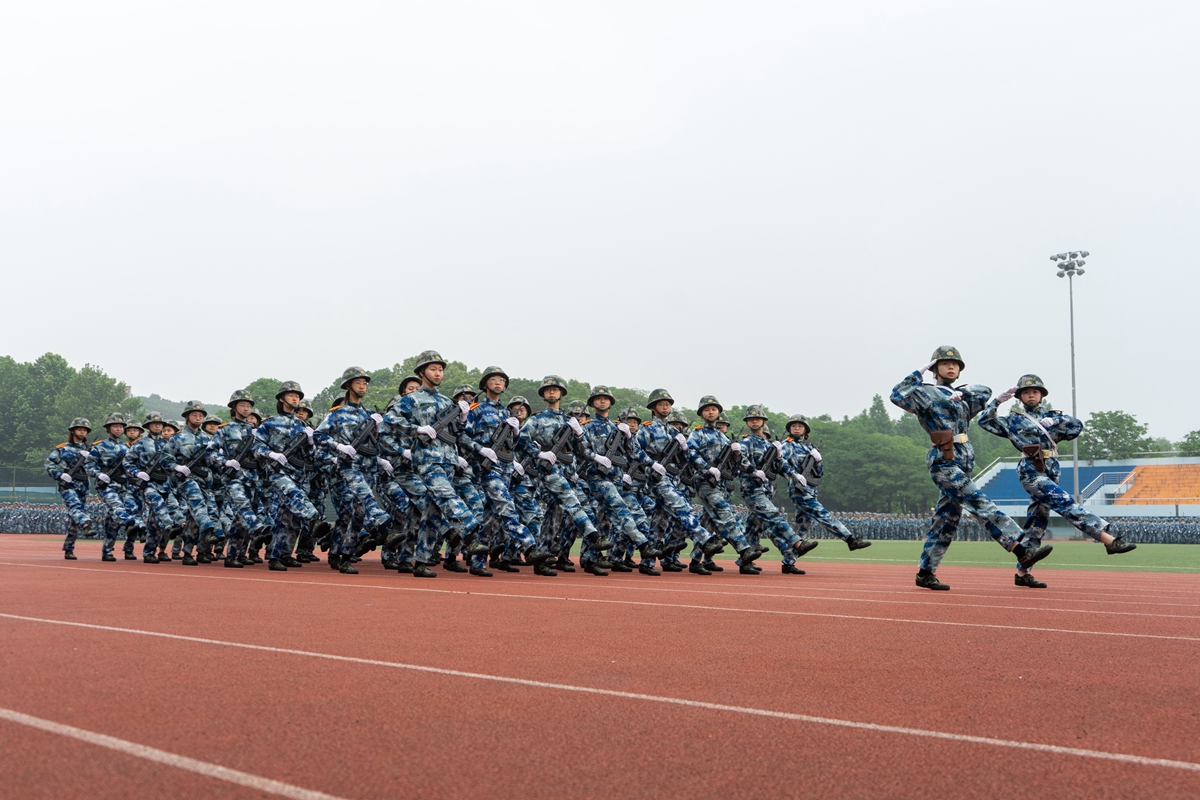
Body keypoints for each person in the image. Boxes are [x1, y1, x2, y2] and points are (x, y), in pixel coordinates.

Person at [890, 347, 1053, 590]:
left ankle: (925, 572)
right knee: (979, 501)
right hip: (943, 459)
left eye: (955, 364)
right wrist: (919, 373)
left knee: (946, 520)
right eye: (944, 363)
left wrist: (963, 394)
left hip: (963, 458)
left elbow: (984, 392)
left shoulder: (964, 396)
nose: (951, 367)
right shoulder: (924, 393)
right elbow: (897, 395)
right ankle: (1021, 547)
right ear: (934, 368)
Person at [979, 373, 1136, 588]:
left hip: (1051, 469)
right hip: (1030, 470)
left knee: (1037, 522)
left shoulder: (1054, 417)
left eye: (1034, 391)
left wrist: (1057, 420)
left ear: (1041, 395)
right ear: (1020, 397)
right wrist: (997, 401)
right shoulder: (1013, 420)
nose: (1030, 395)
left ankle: (1023, 573)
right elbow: (984, 421)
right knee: (1065, 502)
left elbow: (1077, 427)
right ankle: (1107, 539)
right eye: (1026, 392)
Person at [383, 351, 488, 578]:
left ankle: (420, 561)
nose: (438, 373)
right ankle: (470, 534)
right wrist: (416, 429)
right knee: (448, 496)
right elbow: (389, 420)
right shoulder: (411, 399)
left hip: (448, 460)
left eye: (440, 369)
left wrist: (461, 418)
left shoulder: (446, 402)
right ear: (422, 372)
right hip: (427, 461)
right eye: (433, 369)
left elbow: (456, 434)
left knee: (432, 513)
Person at [634, 389, 725, 576]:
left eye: (667, 404)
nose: (665, 407)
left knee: (659, 522)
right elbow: (634, 450)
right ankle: (706, 539)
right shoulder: (646, 428)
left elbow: (685, 459)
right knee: (682, 507)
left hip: (672, 479)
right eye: (661, 404)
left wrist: (684, 447)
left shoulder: (673, 431)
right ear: (653, 407)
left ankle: (647, 563)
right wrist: (652, 463)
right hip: (656, 479)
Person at [254, 382, 326, 572]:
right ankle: (313, 519)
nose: (295, 399)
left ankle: (281, 554)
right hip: (278, 473)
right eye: (291, 395)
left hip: (299, 473)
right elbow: (257, 448)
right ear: (281, 398)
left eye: (298, 396)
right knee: (294, 495)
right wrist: (272, 454)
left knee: (288, 518)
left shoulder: (302, 425)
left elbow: (311, 456)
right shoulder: (269, 424)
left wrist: (311, 442)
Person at [684, 396, 761, 574]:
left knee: (709, 521)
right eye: (707, 409)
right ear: (702, 413)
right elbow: (690, 452)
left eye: (713, 409)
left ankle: (695, 561)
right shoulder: (698, 433)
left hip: (719, 483)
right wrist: (706, 468)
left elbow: (738, 462)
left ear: (718, 412)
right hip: (704, 481)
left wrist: (748, 467)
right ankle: (744, 550)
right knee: (725, 513)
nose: (710, 412)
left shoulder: (722, 437)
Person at [737, 405, 817, 575]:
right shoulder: (745, 442)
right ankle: (797, 543)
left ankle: (744, 562)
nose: (754, 421)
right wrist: (753, 471)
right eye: (751, 419)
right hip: (751, 489)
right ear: (747, 423)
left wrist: (794, 474)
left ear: (763, 421)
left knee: (753, 526)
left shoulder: (769, 444)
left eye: (757, 419)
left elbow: (779, 466)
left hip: (766, 490)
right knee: (774, 515)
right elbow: (741, 461)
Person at [780, 414, 872, 553]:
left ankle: (788, 561)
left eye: (800, 426)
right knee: (823, 514)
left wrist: (818, 461)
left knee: (801, 527)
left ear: (805, 429)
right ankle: (850, 539)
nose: (797, 428)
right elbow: (782, 465)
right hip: (798, 490)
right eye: (794, 426)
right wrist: (795, 475)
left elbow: (819, 473)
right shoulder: (787, 446)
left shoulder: (808, 448)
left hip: (810, 490)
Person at [206, 390, 269, 568]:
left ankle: (236, 554)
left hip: (253, 478)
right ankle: (259, 528)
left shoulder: (255, 432)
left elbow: (261, 453)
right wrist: (225, 462)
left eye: (248, 405)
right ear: (234, 408)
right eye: (242, 405)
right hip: (234, 478)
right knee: (243, 507)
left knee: (240, 520)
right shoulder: (225, 430)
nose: (246, 408)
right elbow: (209, 452)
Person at [123, 412, 183, 563]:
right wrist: (138, 473)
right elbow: (127, 463)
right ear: (148, 426)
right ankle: (172, 525)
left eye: (160, 424)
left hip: (166, 484)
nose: (157, 426)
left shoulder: (168, 445)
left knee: (155, 522)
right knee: (159, 505)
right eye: (154, 424)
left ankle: (153, 551)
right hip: (149, 484)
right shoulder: (140, 444)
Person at [87, 413, 145, 561]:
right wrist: (98, 474)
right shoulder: (99, 446)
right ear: (108, 428)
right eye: (115, 426)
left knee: (120, 517)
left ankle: (124, 549)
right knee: (118, 507)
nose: (118, 429)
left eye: (120, 427)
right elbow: (88, 465)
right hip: (107, 485)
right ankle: (126, 528)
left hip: (125, 485)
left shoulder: (128, 447)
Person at [44, 417, 94, 559]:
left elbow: (97, 467)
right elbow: (49, 463)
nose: (82, 432)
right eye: (79, 429)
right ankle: (86, 523)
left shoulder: (91, 450)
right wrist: (60, 475)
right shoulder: (63, 448)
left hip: (83, 485)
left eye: (85, 430)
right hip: (68, 484)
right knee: (75, 507)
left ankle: (69, 548)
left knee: (74, 519)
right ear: (73, 431)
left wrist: (91, 459)